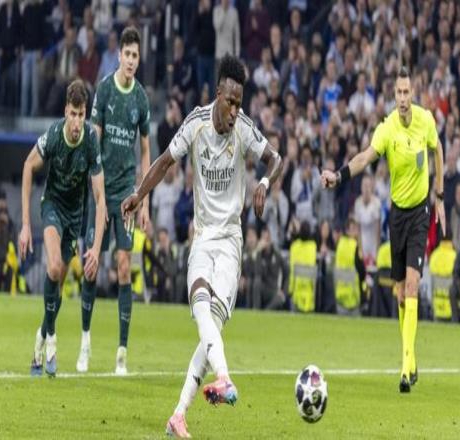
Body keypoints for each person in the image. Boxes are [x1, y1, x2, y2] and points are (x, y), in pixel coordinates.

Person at [121, 54, 282, 437]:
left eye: (240, 103)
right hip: (203, 237)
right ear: (218, 94)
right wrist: (139, 194)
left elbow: (275, 159)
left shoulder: (244, 129)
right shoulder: (195, 123)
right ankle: (216, 384)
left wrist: (264, 182)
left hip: (230, 242)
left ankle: (181, 411)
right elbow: (165, 161)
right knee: (200, 309)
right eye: (230, 102)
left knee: (211, 326)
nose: (235, 111)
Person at [321, 66, 446, 393]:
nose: (403, 98)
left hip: (420, 213)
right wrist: (338, 175)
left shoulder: (425, 120)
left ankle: (405, 368)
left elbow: (437, 149)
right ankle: (411, 357)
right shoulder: (387, 128)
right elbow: (365, 158)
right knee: (401, 294)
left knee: (413, 287)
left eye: (407, 92)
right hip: (397, 215)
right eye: (398, 93)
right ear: (394, 95)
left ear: (413, 93)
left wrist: (440, 195)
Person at [76, 26, 151, 375]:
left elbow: (146, 151)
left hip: (126, 197)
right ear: (119, 55)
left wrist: (144, 200)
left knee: (123, 265)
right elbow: (94, 141)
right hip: (101, 192)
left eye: (136, 55)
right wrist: (95, 192)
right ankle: (85, 341)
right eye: (128, 54)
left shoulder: (141, 99)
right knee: (92, 265)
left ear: (139, 58)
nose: (131, 60)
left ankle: (122, 352)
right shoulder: (105, 89)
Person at [19, 80, 106, 377]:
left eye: (81, 115)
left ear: (85, 114)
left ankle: (40, 339)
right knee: (54, 267)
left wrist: (95, 248)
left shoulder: (91, 140)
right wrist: (26, 225)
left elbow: (100, 198)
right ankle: (52, 339)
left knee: (56, 289)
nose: (77, 122)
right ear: (65, 111)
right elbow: (28, 166)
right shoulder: (54, 135)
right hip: (52, 206)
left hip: (75, 217)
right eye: (73, 114)